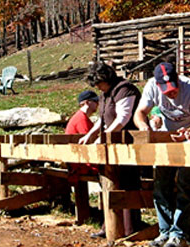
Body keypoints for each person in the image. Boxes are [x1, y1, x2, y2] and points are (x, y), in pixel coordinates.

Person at [133, 62, 190, 247]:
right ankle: (165, 232)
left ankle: (180, 234)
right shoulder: (151, 87)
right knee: (161, 185)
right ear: (158, 85)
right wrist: (144, 128)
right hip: (166, 139)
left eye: (173, 88)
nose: (170, 92)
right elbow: (139, 112)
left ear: (178, 79)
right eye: (165, 90)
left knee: (185, 185)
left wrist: (189, 131)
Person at [77, 62, 146, 237]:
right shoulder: (104, 94)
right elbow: (102, 119)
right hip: (111, 146)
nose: (97, 87)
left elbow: (123, 117)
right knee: (109, 183)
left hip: (127, 145)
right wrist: (91, 135)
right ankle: (110, 225)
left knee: (127, 184)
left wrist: (105, 136)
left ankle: (130, 229)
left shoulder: (125, 89)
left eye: (98, 83)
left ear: (106, 79)